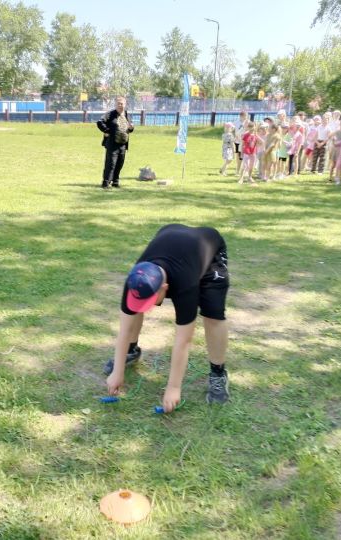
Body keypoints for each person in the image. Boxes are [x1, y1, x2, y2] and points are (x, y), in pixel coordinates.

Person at [104, 224, 230, 411]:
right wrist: (117, 371)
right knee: (134, 308)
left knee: (213, 313)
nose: (149, 308)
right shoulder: (135, 279)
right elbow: (124, 329)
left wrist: (173, 388)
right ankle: (132, 351)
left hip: (208, 252)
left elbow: (183, 341)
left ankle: (218, 373)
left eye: (150, 302)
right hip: (173, 238)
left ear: (164, 289)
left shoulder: (185, 286)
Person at [97, 97, 134, 189]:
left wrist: (131, 128)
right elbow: (99, 122)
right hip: (112, 143)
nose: (120, 105)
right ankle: (106, 182)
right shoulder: (110, 114)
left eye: (122, 104)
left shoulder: (126, 114)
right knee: (111, 163)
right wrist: (106, 130)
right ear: (115, 104)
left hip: (123, 143)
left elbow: (130, 128)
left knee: (119, 163)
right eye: (119, 103)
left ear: (125, 104)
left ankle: (115, 182)